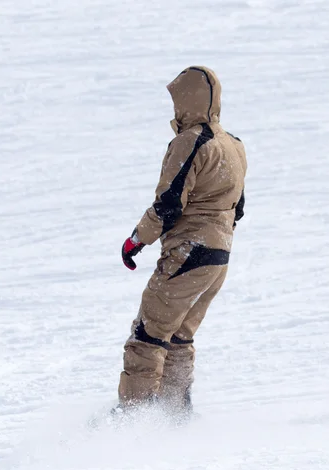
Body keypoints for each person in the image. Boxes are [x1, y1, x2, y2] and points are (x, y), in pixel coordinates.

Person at [118, 66, 247, 419]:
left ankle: (134, 419)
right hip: (218, 257)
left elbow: (169, 203)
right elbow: (238, 208)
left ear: (188, 101)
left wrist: (137, 240)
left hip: (188, 253)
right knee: (179, 337)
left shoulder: (191, 141)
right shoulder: (234, 145)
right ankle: (175, 417)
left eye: (176, 101)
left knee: (149, 333)